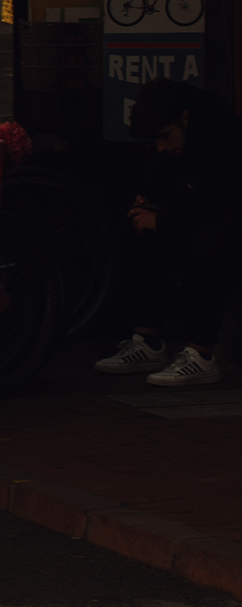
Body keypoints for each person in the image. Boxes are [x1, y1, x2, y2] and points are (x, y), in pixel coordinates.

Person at [95, 80, 237, 387]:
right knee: (134, 231)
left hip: (227, 232)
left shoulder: (224, 137)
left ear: (186, 118)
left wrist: (164, 220)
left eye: (164, 137)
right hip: (198, 225)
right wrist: (146, 199)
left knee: (211, 240)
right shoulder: (176, 144)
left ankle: (201, 355)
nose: (162, 147)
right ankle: (148, 342)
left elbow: (221, 206)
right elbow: (160, 180)